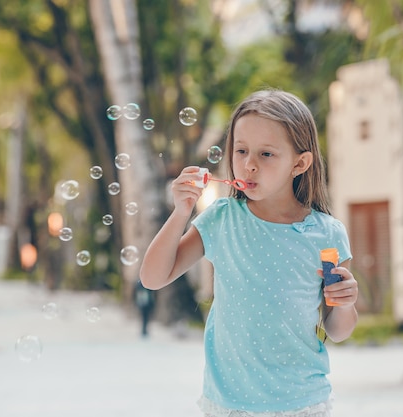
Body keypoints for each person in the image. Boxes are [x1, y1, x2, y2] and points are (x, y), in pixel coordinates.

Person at [140, 89, 358, 417]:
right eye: (241, 150)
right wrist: (181, 212)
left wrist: (346, 301)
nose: (249, 165)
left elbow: (337, 329)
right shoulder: (221, 219)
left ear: (300, 163)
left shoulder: (327, 234)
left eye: (266, 154)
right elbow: (153, 278)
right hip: (230, 404)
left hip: (303, 403)